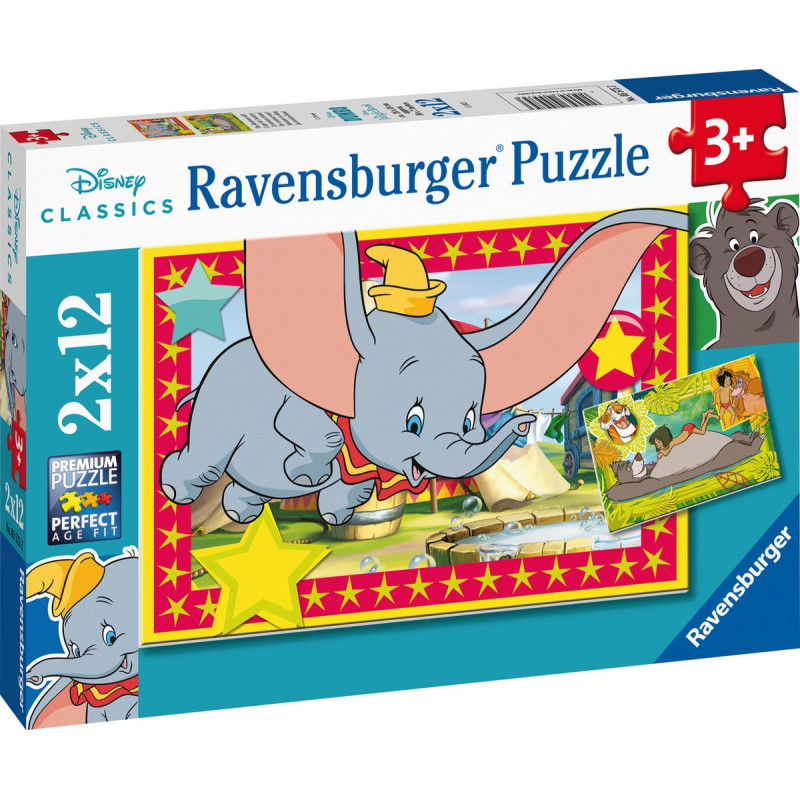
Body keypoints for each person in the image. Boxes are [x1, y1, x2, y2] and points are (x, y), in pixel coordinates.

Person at [649, 409, 718, 459]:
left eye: (659, 442)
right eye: (656, 444)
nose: (658, 445)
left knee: (702, 432)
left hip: (688, 429)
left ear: (664, 439)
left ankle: (708, 417)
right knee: (700, 429)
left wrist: (661, 451)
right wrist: (661, 452)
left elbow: (665, 453)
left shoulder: (672, 443)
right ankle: (704, 415)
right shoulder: (667, 445)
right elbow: (659, 456)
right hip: (685, 429)